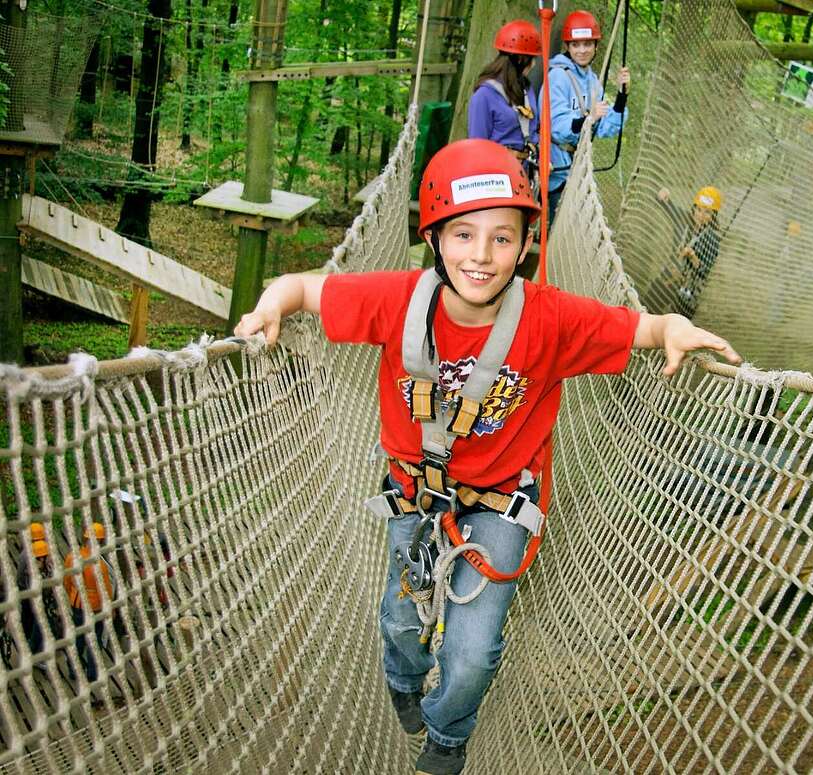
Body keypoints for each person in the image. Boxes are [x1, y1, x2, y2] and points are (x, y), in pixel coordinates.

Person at [233, 138, 740, 775]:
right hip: (415, 490)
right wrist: (271, 305)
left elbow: (640, 328)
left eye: (503, 238)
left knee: (472, 654)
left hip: (502, 500)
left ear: (527, 243)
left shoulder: (550, 319)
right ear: (436, 240)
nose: (481, 255)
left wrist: (672, 328)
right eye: (463, 235)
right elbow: (304, 288)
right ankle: (402, 684)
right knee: (399, 620)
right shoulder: (398, 300)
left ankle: (447, 737)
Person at [543, 9, 630, 227]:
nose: (582, 50)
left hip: (578, 169)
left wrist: (621, 96)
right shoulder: (558, 77)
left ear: (596, 47)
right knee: (558, 231)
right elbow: (556, 125)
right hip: (557, 170)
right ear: (568, 47)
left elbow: (605, 127)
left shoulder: (593, 82)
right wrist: (588, 119)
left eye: (587, 44)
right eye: (576, 45)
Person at [467, 20, 541, 176]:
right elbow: (478, 146)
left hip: (525, 172)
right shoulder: (485, 95)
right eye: (531, 59)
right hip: (497, 175)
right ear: (521, 59)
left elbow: (533, 129)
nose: (533, 65)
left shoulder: (526, 89)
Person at [654, 186, 723, 319]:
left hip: (687, 292)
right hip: (668, 277)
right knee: (647, 308)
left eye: (707, 212)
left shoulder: (712, 240)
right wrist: (662, 195)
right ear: (694, 208)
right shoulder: (684, 219)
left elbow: (703, 271)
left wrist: (693, 256)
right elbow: (664, 203)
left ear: (713, 216)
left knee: (676, 328)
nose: (701, 215)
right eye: (698, 210)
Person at [63, 522, 118, 691]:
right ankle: (92, 674)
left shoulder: (72, 557)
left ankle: (73, 670)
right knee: (94, 641)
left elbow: (67, 582)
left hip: (77, 604)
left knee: (78, 639)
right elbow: (106, 591)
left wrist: (73, 596)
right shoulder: (98, 565)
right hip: (96, 608)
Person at [17, 524, 60, 672]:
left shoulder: (28, 553)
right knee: (40, 628)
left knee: (32, 624)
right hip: (36, 600)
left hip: (32, 597)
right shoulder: (31, 560)